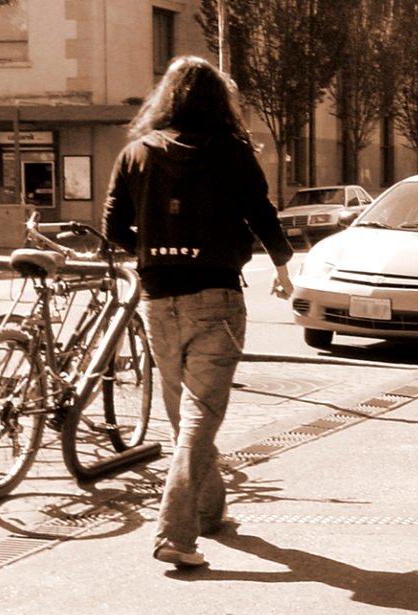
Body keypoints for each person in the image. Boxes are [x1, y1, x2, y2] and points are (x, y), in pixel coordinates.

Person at [101, 55, 294, 568]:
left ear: (166, 97)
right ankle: (174, 534)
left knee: (183, 416)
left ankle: (209, 513)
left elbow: (114, 229)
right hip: (216, 297)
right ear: (217, 100)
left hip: (157, 299)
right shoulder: (232, 152)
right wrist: (283, 267)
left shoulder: (136, 153)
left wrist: (156, 244)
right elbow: (262, 213)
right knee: (200, 419)